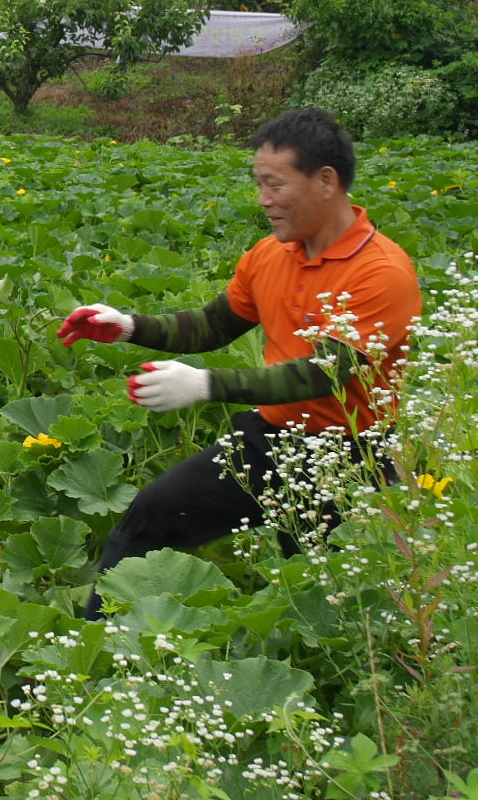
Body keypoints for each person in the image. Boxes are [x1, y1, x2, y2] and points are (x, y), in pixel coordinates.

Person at [58, 109, 420, 616]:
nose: (263, 199)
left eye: (275, 184)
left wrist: (206, 385)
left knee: (327, 592)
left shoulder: (382, 272)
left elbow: (325, 373)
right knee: (153, 512)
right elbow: (213, 325)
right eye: (259, 183)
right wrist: (130, 327)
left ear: (326, 181)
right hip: (269, 439)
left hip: (350, 456)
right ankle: (97, 637)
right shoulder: (270, 255)